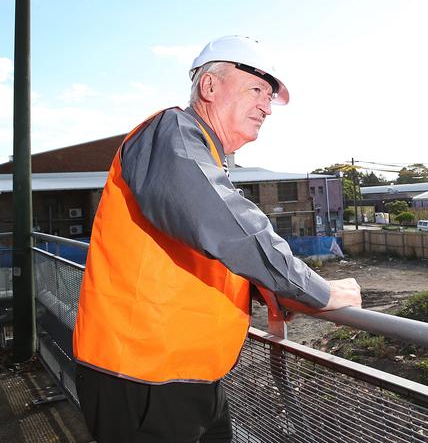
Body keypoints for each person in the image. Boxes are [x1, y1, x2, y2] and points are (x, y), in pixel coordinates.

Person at [72, 35, 362, 443]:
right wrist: (317, 290)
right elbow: (226, 225)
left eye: (269, 96)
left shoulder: (205, 154)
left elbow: (202, 251)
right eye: (257, 89)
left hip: (188, 376)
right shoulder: (171, 131)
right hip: (142, 375)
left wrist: (268, 290)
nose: (266, 106)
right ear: (209, 87)